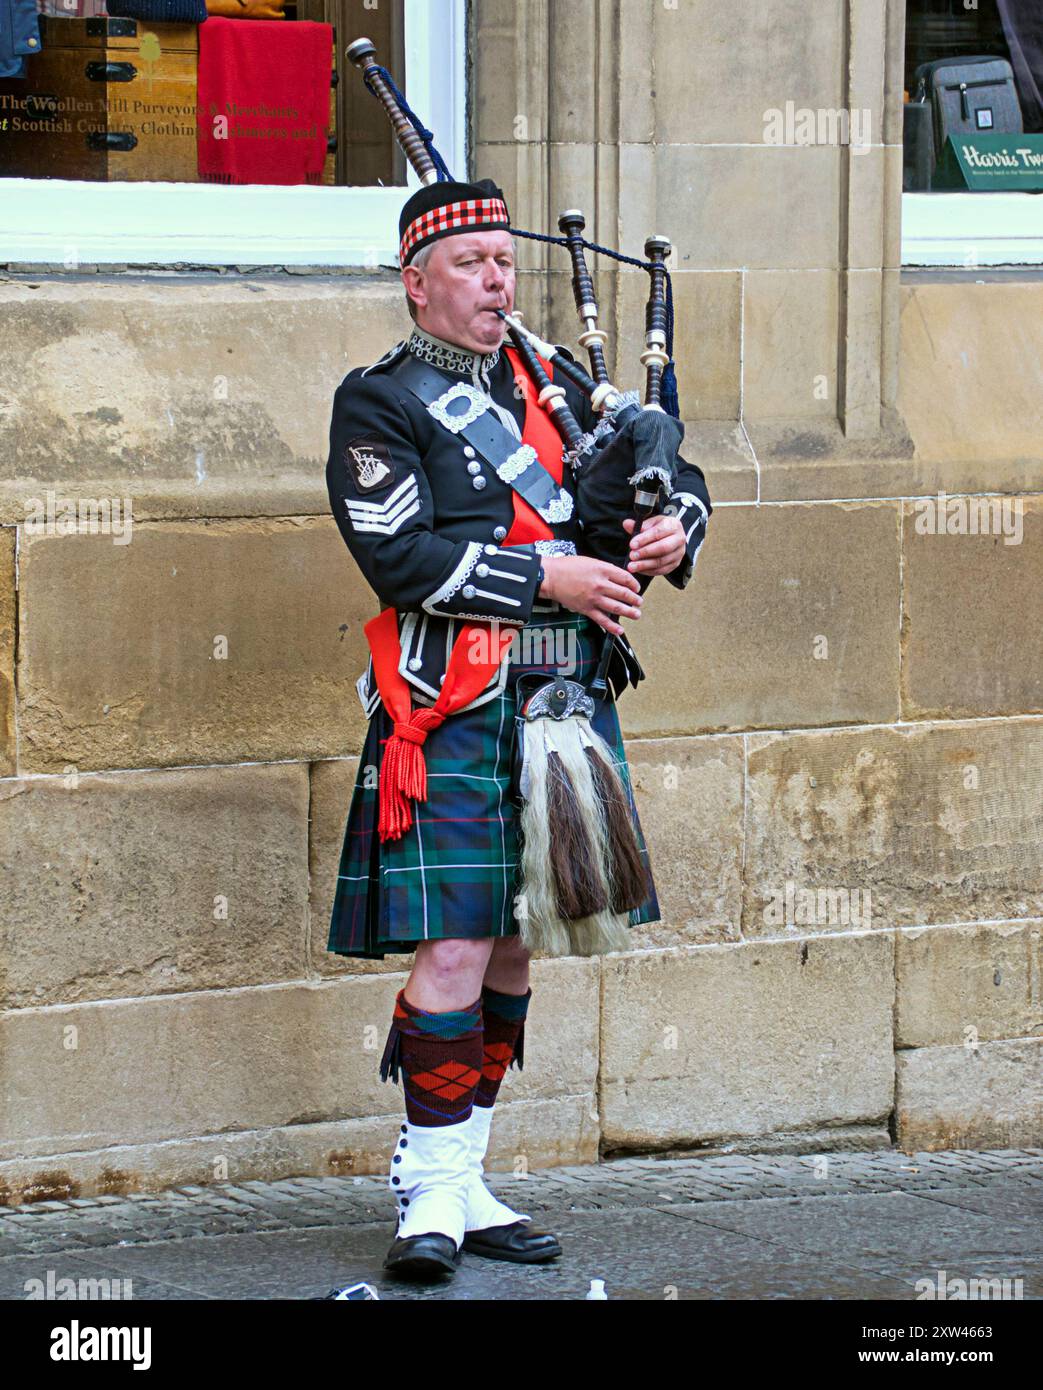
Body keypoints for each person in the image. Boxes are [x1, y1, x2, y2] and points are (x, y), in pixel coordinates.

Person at [324, 177, 711, 1281]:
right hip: (449, 700)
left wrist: (670, 531)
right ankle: (428, 1185)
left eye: (504, 259)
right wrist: (548, 571)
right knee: (450, 942)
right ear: (416, 284)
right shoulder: (380, 403)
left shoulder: (555, 380)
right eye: (470, 262)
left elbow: (673, 474)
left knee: (511, 939)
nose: (497, 278)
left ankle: (471, 1169)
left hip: (565, 705)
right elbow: (396, 556)